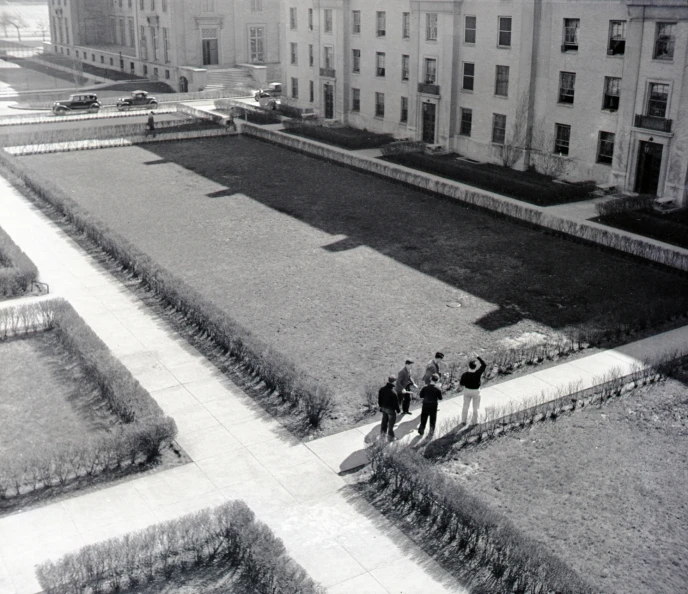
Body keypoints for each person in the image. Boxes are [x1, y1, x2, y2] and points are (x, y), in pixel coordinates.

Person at [459, 355, 487, 426]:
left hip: (467, 391)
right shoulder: (478, 373)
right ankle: (474, 422)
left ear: (469, 366)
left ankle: (463, 421)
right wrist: (478, 357)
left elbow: (461, 383)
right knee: (476, 407)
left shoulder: (465, 374)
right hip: (476, 391)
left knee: (465, 406)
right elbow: (484, 365)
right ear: (475, 366)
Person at [378, 375, 401, 441]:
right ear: (393, 382)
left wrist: (381, 407)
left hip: (383, 408)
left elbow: (379, 399)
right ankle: (391, 438)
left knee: (384, 422)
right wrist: (398, 411)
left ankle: (382, 437)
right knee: (391, 425)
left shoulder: (382, 389)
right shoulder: (393, 392)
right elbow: (396, 403)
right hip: (390, 410)